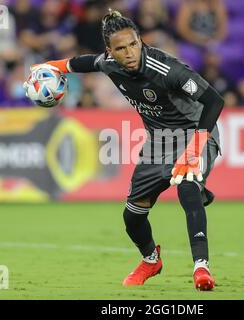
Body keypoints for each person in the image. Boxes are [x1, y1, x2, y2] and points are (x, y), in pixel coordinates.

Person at [26, 9, 224, 291]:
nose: (130, 52)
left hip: (197, 131)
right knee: (133, 214)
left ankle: (201, 268)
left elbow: (214, 102)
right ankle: (150, 260)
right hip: (159, 141)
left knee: (187, 183)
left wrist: (194, 149)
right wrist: (50, 66)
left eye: (134, 44)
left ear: (140, 41)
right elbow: (79, 63)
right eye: (121, 48)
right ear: (110, 51)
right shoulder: (109, 63)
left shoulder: (167, 69)